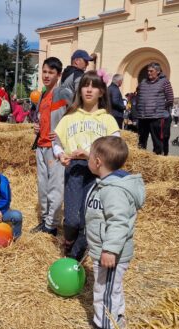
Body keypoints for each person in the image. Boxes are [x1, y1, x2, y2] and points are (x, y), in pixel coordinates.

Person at [73, 136, 145, 329]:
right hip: (104, 249)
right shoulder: (108, 183)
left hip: (111, 253)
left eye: (90, 155)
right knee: (112, 288)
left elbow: (118, 222)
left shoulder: (114, 190)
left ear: (97, 162)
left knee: (103, 290)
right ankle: (117, 320)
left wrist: (110, 250)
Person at [53, 70, 121, 260]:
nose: (89, 90)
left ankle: (75, 258)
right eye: (85, 85)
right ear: (80, 90)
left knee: (87, 218)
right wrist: (60, 155)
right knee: (73, 220)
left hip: (99, 174)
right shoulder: (69, 117)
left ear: (101, 92)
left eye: (94, 86)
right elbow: (56, 141)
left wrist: (90, 154)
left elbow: (116, 147)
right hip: (75, 170)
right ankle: (69, 242)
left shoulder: (107, 119)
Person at [32, 57, 67, 236]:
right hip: (41, 146)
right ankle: (46, 221)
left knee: (55, 187)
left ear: (58, 75)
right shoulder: (43, 94)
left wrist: (62, 134)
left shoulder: (63, 93)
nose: (46, 75)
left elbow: (73, 116)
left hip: (55, 148)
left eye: (51, 73)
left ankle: (52, 225)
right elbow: (41, 117)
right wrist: (36, 126)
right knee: (43, 186)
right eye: (44, 72)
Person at [135, 62, 174, 155]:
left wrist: (159, 108)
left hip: (156, 118)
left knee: (157, 142)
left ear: (158, 71)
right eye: (148, 71)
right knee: (141, 142)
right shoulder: (143, 82)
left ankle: (157, 160)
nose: (149, 73)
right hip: (143, 117)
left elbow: (170, 99)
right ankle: (141, 160)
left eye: (151, 71)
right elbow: (138, 96)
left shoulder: (165, 82)